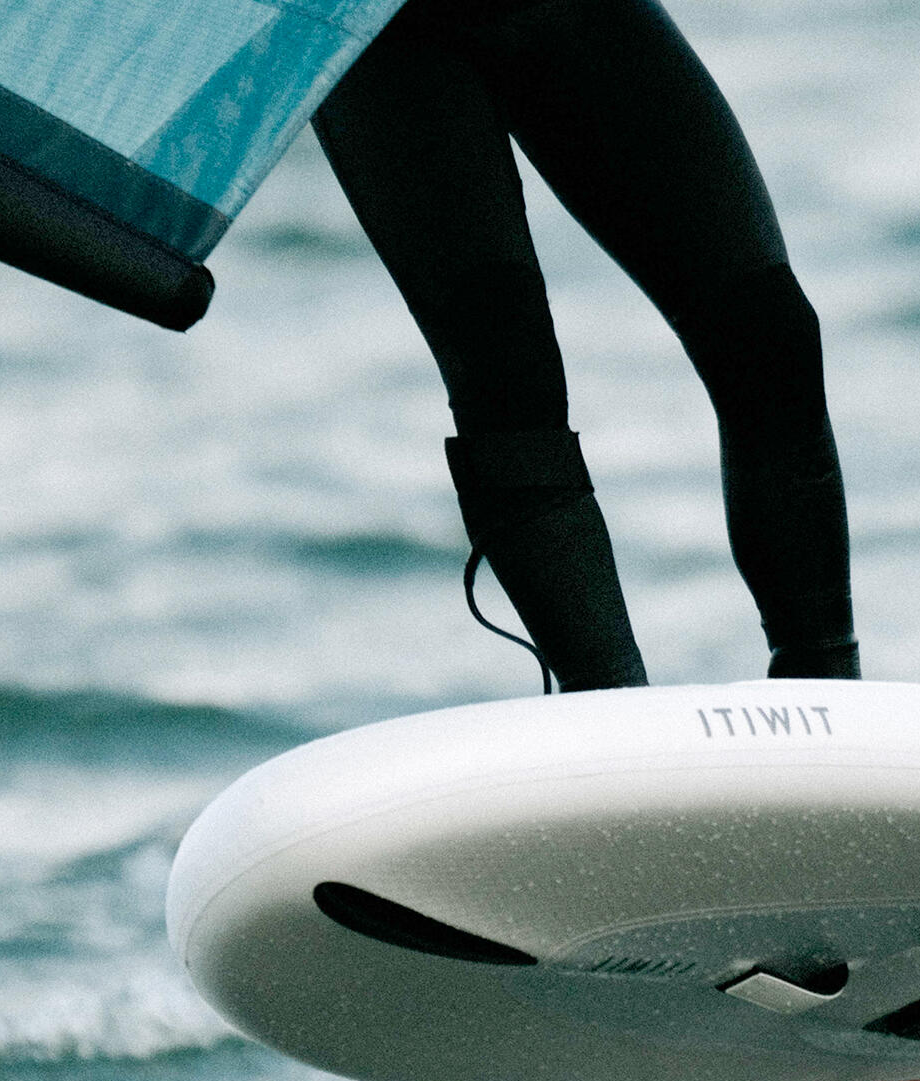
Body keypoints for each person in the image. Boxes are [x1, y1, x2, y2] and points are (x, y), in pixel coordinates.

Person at [312, 0, 860, 692]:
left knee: (767, 334)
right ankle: (611, 708)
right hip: (371, 33)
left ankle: (826, 700)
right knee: (507, 382)